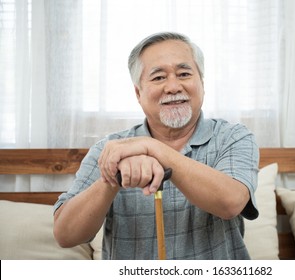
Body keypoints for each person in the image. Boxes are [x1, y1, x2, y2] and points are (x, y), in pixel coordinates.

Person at [53, 32, 259, 260]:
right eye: (158, 77)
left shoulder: (233, 137)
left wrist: (154, 149)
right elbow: (66, 235)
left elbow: (230, 203)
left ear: (201, 84)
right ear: (138, 93)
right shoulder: (110, 150)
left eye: (184, 74)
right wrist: (113, 177)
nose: (173, 87)